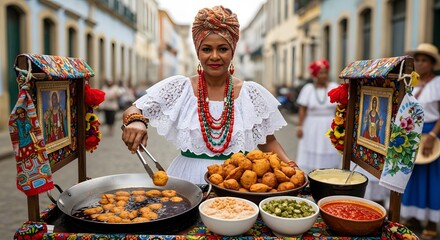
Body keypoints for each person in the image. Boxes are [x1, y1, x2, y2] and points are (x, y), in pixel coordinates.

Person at [121, 5, 295, 184]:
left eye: (222, 49)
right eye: (206, 49)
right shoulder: (180, 88)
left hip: (236, 181)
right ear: (198, 52)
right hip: (187, 180)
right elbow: (134, 108)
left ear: (232, 51)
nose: (214, 56)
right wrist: (136, 120)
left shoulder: (251, 94)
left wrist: (292, 169)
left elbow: (268, 142)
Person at [401, 43, 440, 239]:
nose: (420, 63)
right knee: (412, 177)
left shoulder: (438, 83)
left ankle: (432, 221)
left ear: (432, 64)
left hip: (432, 134)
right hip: (412, 133)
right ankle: (413, 216)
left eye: (425, 60)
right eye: (418, 59)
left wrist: (433, 136)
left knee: (432, 177)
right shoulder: (411, 82)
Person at [295, 59, 341, 174]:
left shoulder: (334, 86)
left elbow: (339, 108)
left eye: (325, 72)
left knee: (329, 148)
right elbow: (302, 109)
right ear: (315, 75)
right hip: (311, 125)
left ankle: (329, 174)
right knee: (312, 146)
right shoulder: (308, 89)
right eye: (321, 73)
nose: (324, 75)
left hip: (330, 125)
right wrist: (300, 126)